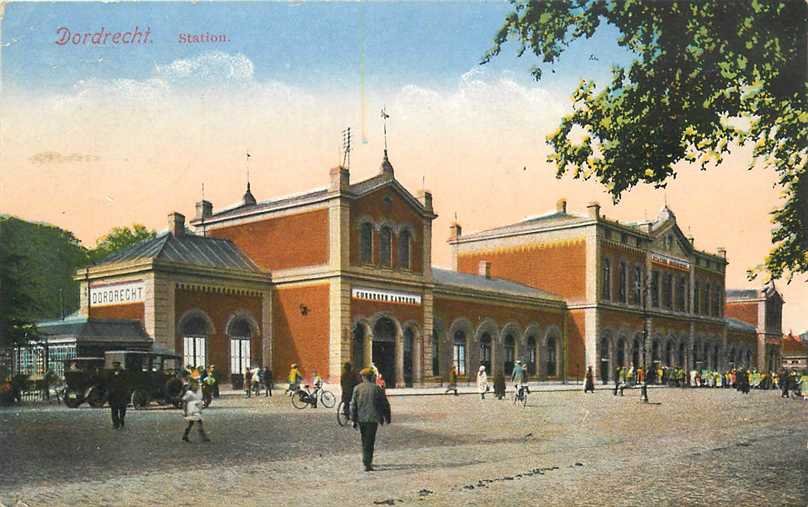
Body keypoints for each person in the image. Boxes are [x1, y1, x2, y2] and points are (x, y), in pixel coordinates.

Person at [350, 368, 391, 472]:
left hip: (361, 418)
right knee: (370, 440)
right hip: (373, 419)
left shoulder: (357, 388)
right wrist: (387, 417)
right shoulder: (377, 389)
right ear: (372, 377)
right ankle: (367, 462)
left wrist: (353, 419)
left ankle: (366, 460)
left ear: (363, 377)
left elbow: (353, 405)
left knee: (364, 439)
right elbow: (385, 404)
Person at [107, 361, 129, 430]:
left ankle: (121, 420)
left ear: (119, 366)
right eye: (114, 366)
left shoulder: (124, 373)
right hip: (113, 395)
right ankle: (115, 424)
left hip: (122, 395)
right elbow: (108, 383)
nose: (115, 367)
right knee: (114, 410)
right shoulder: (110, 374)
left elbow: (127, 383)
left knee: (122, 410)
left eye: (117, 366)